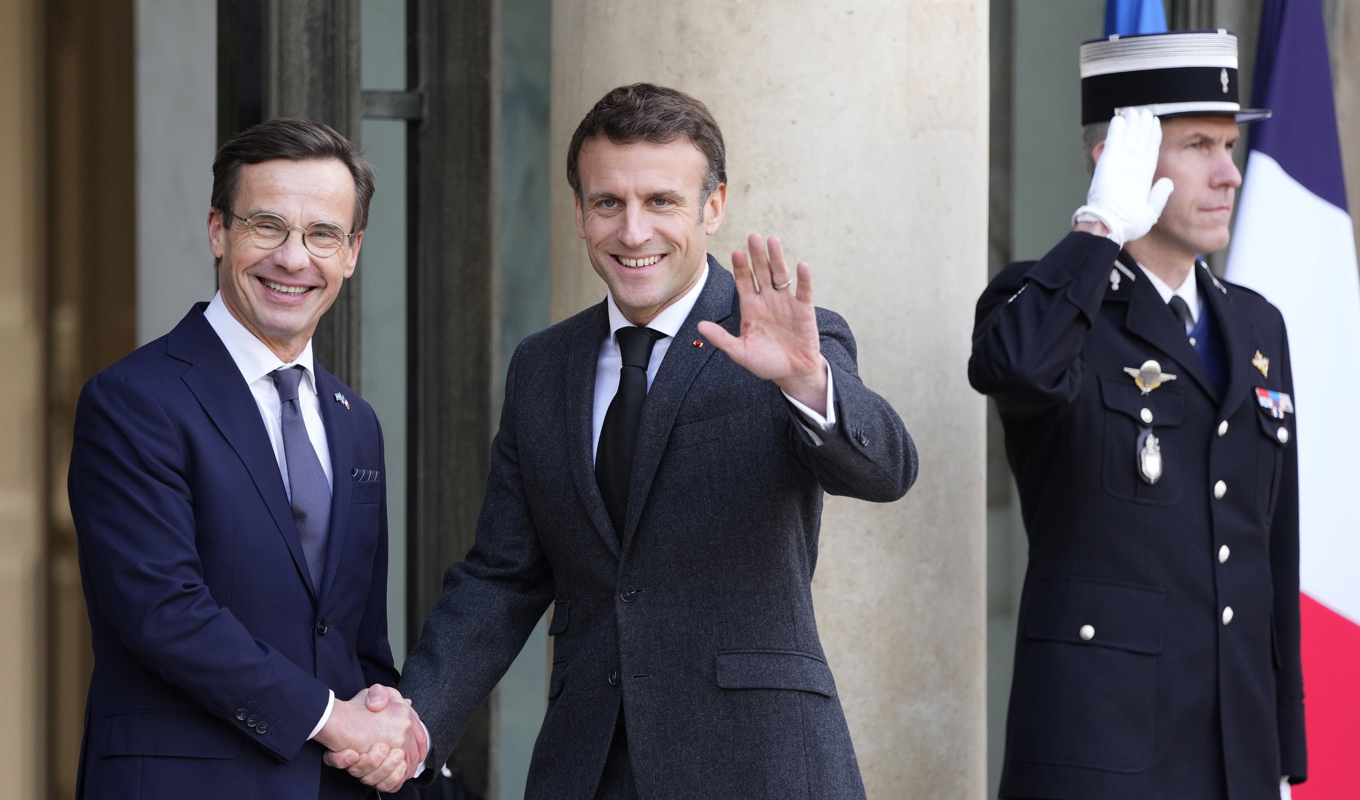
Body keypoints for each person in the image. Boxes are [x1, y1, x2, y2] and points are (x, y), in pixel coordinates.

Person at [336, 83, 917, 798]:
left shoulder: (786, 338)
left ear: (713, 207)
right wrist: (415, 721)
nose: (633, 232)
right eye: (609, 203)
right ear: (579, 214)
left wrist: (806, 382)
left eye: (661, 202)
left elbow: (886, 469)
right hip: (588, 767)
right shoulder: (542, 367)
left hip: (757, 764)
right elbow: (502, 576)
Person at [970, 31, 1305, 800]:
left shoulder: (1257, 325)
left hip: (1235, 752)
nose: (1230, 174)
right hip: (1100, 752)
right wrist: (1098, 232)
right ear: (1115, 158)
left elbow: (1271, 545)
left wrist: (1283, 749)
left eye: (1230, 145)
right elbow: (1012, 365)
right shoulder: (1045, 304)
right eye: (1196, 145)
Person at [68, 118, 425, 798]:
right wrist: (334, 721)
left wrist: (388, 736)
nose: (293, 259)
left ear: (352, 252)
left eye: (322, 234)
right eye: (266, 225)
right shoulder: (132, 401)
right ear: (218, 231)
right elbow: (164, 613)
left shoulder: (357, 424)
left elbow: (354, 640)